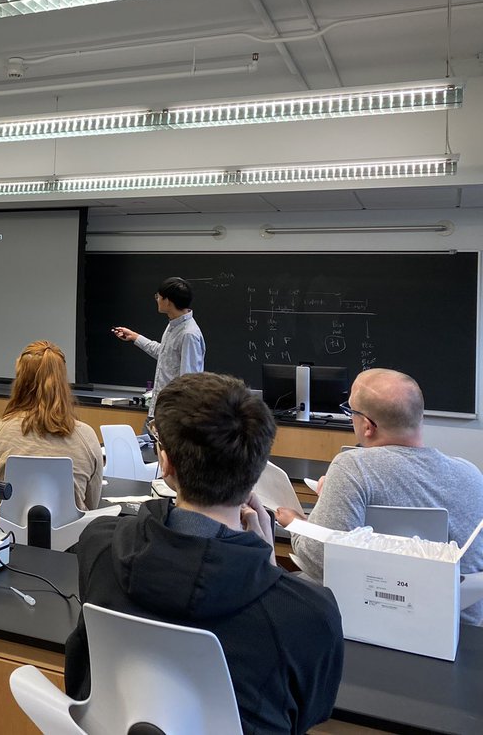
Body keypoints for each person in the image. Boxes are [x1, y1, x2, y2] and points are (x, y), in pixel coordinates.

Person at [65, 373, 343, 735]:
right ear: (257, 471)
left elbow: (79, 673)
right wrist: (268, 571)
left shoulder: (100, 546)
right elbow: (310, 714)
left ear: (166, 464)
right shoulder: (309, 614)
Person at [277, 368, 483, 625]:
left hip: (370, 621)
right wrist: (335, 496)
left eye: (351, 412)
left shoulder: (353, 467)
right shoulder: (472, 475)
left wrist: (298, 525)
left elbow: (318, 562)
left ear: (367, 426)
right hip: (458, 627)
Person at [0, 340, 102, 526]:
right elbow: (92, 504)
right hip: (69, 542)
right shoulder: (87, 436)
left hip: (1, 537)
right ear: (63, 382)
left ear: (19, 381)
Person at [111, 276, 204, 414]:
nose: (157, 300)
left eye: (158, 297)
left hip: (173, 414)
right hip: (158, 409)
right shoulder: (173, 325)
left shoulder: (188, 334)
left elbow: (189, 381)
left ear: (168, 301)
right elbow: (165, 353)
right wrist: (135, 337)